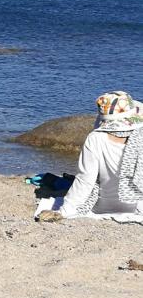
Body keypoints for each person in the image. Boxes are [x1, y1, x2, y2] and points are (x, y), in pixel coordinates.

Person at [47, 90, 143, 221]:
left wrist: (64, 211)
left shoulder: (95, 139)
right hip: (138, 206)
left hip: (104, 206)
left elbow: (85, 180)